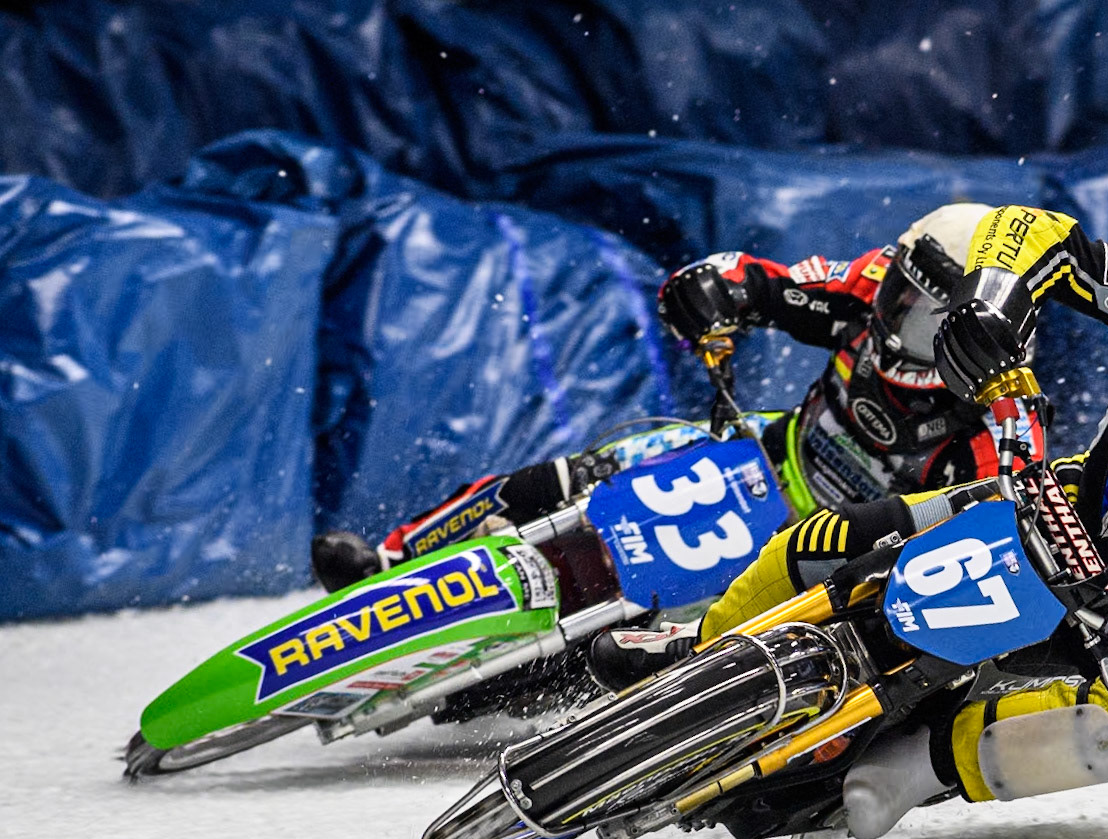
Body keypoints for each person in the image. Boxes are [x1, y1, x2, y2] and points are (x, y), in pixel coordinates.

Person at [594, 206, 1108, 839]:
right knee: (824, 539)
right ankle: (705, 644)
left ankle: (921, 768)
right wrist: (994, 305)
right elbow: (1038, 234)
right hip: (1056, 503)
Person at [310, 202, 1045, 598]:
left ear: (978, 331)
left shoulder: (1003, 418)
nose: (895, 311)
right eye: (900, 290)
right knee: (578, 474)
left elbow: (999, 538)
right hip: (767, 453)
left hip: (828, 551)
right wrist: (712, 290)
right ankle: (392, 560)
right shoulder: (865, 284)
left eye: (923, 313)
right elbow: (759, 280)